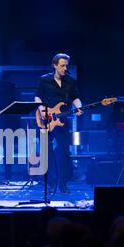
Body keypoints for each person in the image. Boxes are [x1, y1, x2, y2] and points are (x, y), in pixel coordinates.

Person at [35, 53, 83, 193]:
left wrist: (79, 107)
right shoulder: (44, 80)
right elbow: (37, 97)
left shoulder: (70, 81)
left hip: (62, 121)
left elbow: (76, 98)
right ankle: (50, 184)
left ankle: (63, 183)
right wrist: (43, 110)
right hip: (46, 120)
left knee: (64, 152)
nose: (64, 68)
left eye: (66, 66)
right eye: (62, 65)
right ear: (55, 65)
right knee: (47, 153)